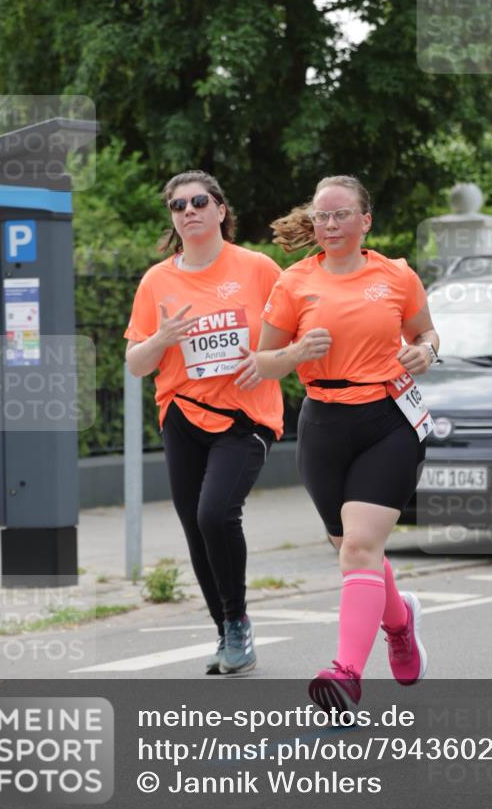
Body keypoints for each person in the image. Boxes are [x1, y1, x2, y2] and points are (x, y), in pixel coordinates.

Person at [245, 174, 439, 711]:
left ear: (365, 220)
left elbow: (425, 334)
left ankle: (346, 674)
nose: (330, 225)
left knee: (358, 548)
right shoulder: (293, 282)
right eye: (322, 216)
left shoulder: (396, 275)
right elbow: (263, 361)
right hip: (324, 424)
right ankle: (400, 624)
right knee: (353, 549)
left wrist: (425, 352)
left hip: (388, 420)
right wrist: (295, 354)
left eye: (341, 214)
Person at [124, 170, 283, 675]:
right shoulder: (157, 281)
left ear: (220, 209)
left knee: (215, 514)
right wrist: (162, 338)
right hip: (182, 416)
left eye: (198, 202)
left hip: (245, 417)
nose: (188, 211)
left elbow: (296, 332)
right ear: (172, 217)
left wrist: (269, 359)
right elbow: (136, 362)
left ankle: (237, 622)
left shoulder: (258, 269)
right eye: (178, 206)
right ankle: (228, 630)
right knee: (195, 527)